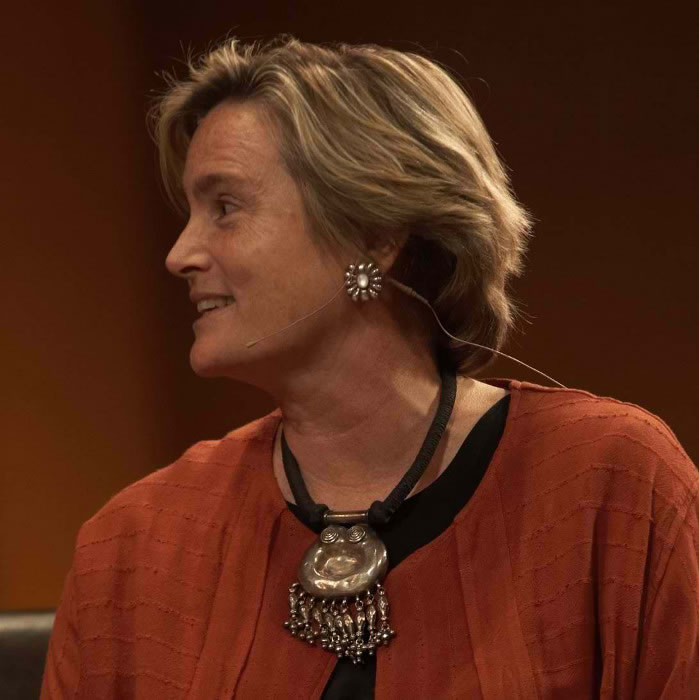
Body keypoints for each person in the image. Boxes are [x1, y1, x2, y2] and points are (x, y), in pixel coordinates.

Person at [41, 36, 698, 699]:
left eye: (226, 208)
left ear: (376, 234)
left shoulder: (610, 486)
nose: (180, 254)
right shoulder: (132, 548)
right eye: (191, 212)